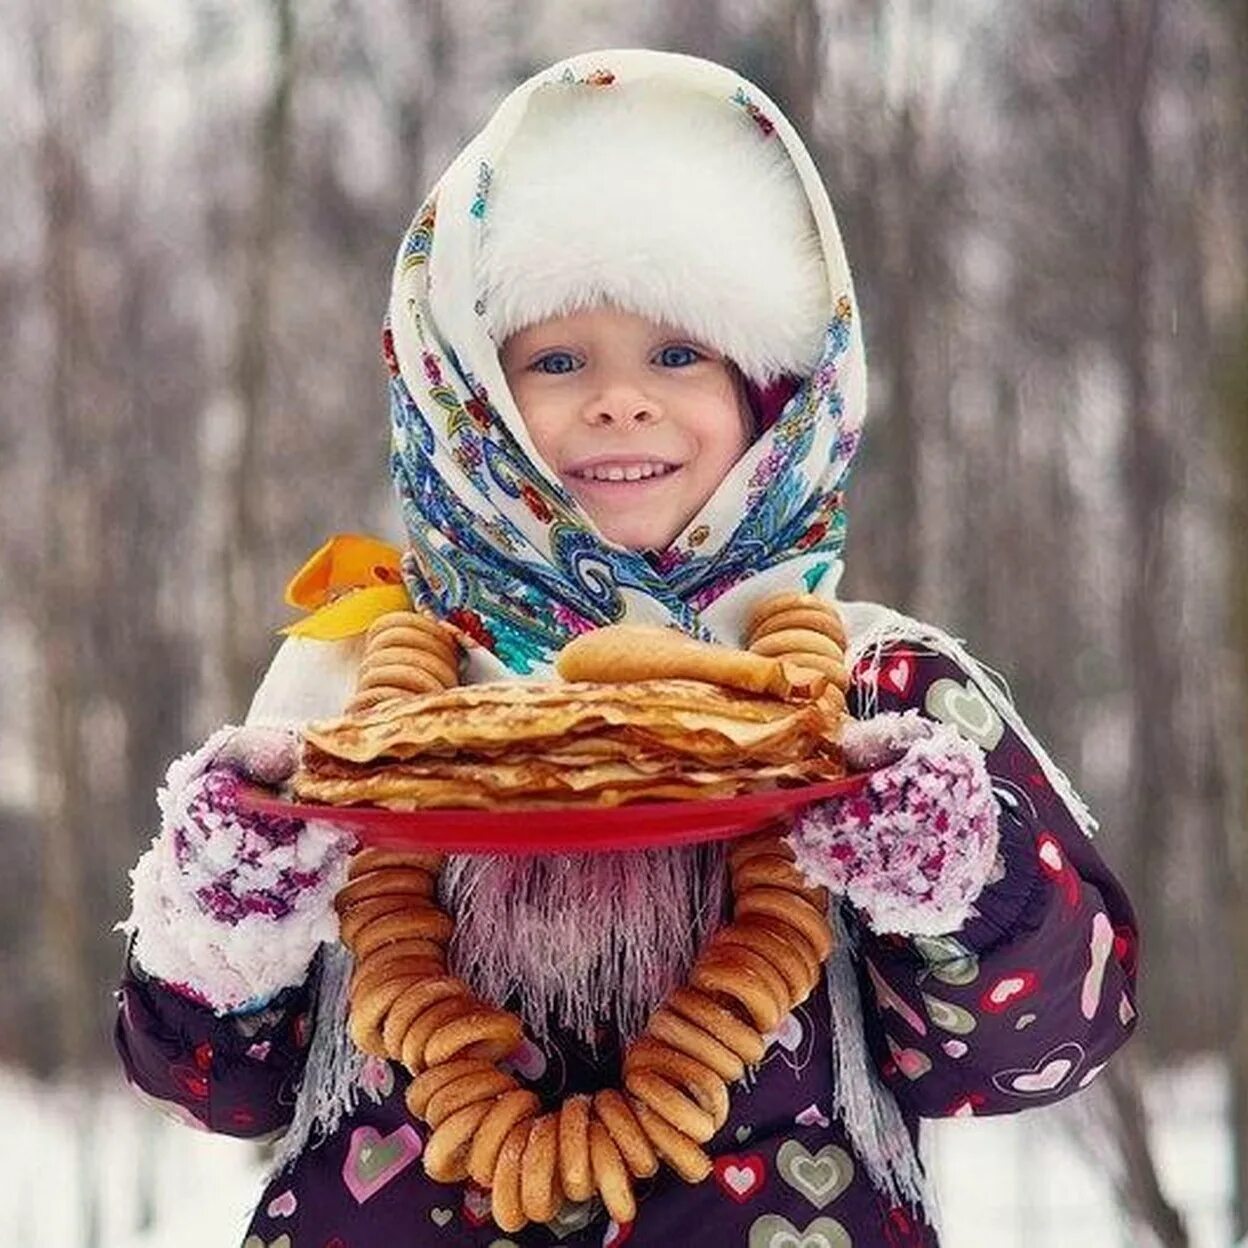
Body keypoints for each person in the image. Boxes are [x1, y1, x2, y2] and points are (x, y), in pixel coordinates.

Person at [115, 49, 1139, 1247]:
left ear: (772, 396)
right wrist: (230, 906)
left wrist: (954, 881)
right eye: (556, 360)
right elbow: (215, 1087)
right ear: (466, 402)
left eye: (678, 352)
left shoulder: (877, 696)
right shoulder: (347, 697)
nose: (619, 400)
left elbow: (1038, 1051)